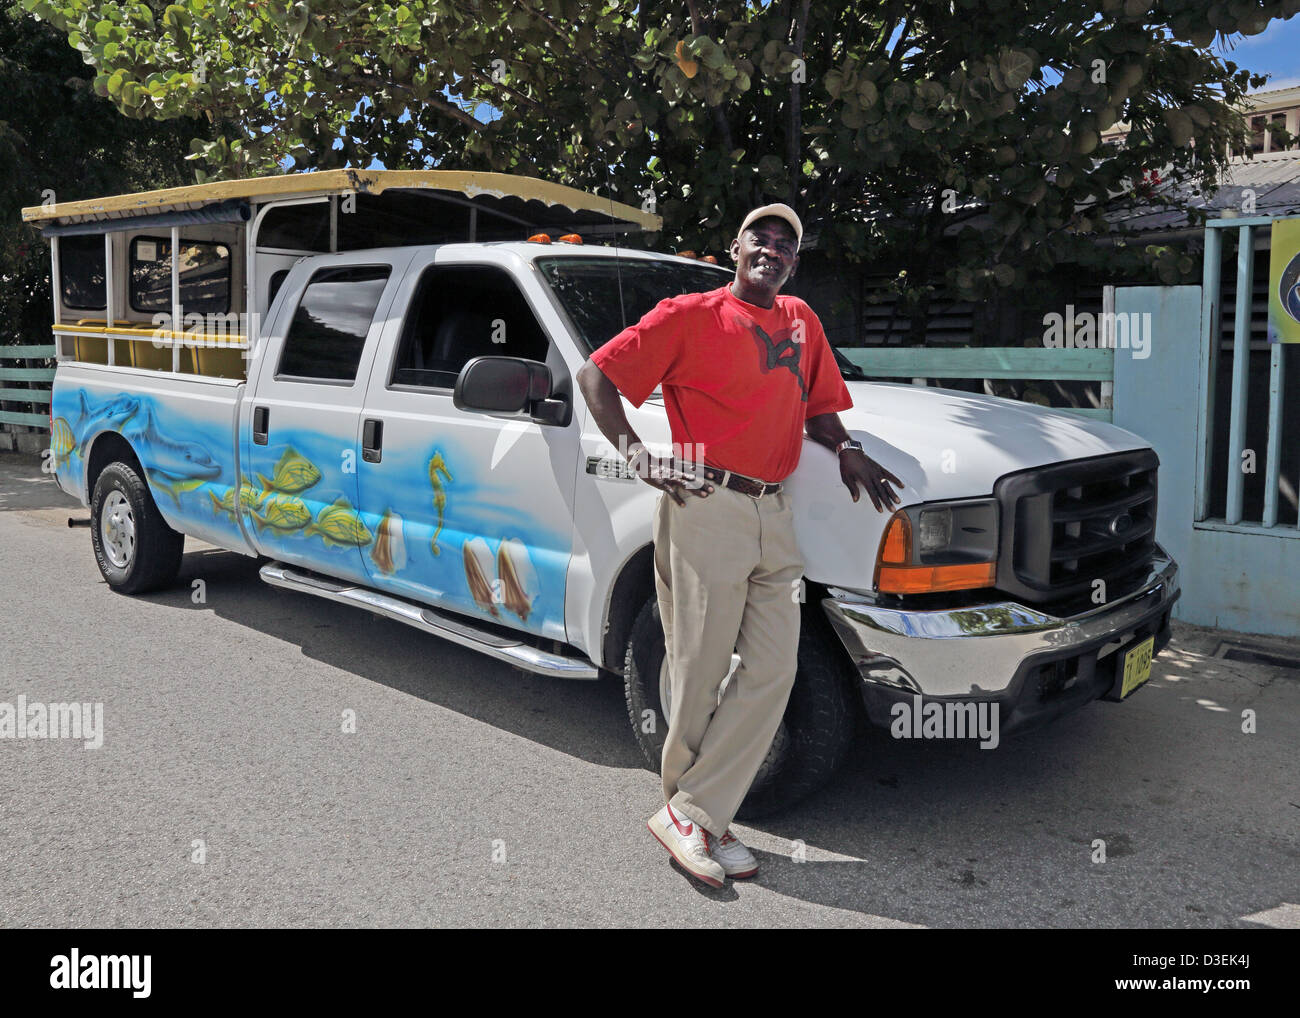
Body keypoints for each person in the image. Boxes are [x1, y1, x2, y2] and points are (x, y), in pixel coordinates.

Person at [576, 203, 903, 888]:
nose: (773, 248)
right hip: (707, 503)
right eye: (762, 236)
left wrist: (846, 448)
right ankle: (695, 817)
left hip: (773, 511)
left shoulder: (801, 320)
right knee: (697, 668)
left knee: (772, 669)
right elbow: (595, 378)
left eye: (787, 243)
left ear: (794, 262)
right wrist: (640, 456)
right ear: (735, 246)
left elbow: (817, 405)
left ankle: (695, 811)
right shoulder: (687, 315)